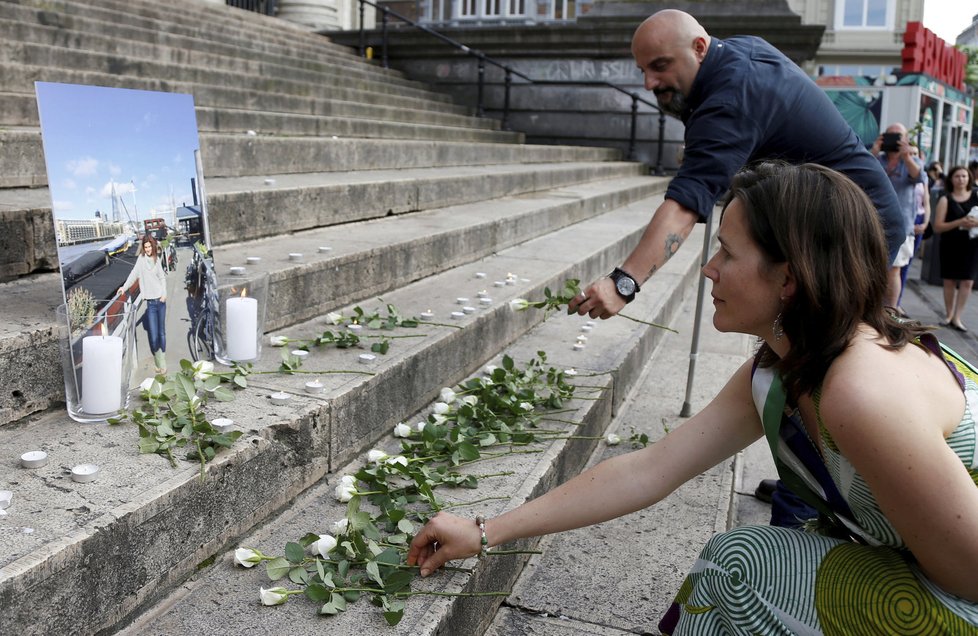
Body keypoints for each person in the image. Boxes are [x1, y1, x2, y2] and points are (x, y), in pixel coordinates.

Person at [408, 163, 978, 633]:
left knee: (748, 566)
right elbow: (651, 469)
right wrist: (487, 531)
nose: (708, 269)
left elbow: (970, 574)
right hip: (931, 571)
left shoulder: (859, 390)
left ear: (789, 278)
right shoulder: (782, 366)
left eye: (727, 253)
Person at [568, 10, 905, 325]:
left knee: (816, 341)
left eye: (660, 65)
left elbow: (686, 205)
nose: (649, 83)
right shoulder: (737, 53)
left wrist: (623, 283)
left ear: (699, 48)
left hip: (859, 226)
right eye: (643, 70)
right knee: (792, 340)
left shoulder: (729, 99)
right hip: (829, 214)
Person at [871, 123, 925, 310]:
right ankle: (873, 308)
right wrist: (874, 152)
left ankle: (891, 310)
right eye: (890, 135)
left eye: (898, 136)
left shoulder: (912, 160)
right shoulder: (877, 159)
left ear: (906, 139)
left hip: (901, 225)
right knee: (872, 269)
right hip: (874, 222)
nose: (894, 139)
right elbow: (861, 176)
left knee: (894, 269)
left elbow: (920, 178)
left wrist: (906, 156)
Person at [932, 165, 978, 332]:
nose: (961, 179)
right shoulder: (945, 199)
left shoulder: (976, 196)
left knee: (967, 281)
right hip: (951, 244)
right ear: (951, 179)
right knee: (949, 280)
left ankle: (958, 317)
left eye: (964, 176)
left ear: (969, 178)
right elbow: (937, 226)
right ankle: (949, 314)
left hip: (972, 244)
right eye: (957, 176)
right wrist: (960, 222)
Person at [119, 234, 168, 374]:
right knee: (153, 335)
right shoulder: (140, 261)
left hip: (161, 300)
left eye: (149, 246)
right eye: (145, 247)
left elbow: (162, 278)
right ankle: (159, 360)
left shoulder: (156, 259)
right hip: (151, 304)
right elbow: (133, 275)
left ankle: (161, 362)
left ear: (152, 246)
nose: (147, 249)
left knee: (162, 332)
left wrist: (164, 294)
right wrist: (124, 287)